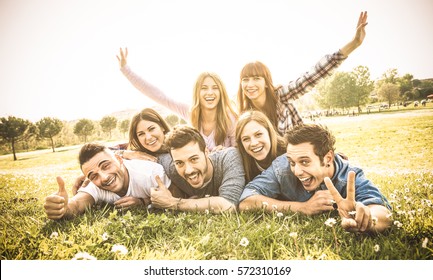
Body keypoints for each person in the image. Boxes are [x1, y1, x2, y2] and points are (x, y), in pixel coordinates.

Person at [239, 124, 392, 234]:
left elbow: (383, 212)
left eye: (304, 162)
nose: (297, 171)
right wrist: (303, 207)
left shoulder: (349, 176)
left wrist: (366, 219)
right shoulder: (281, 167)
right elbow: (246, 201)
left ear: (328, 158)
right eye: (292, 162)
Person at [237, 11, 368, 135]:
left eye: (256, 78)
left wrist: (354, 43)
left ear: (266, 82)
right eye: (245, 79)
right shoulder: (244, 114)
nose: (250, 84)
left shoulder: (281, 97)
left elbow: (312, 76)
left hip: (294, 154)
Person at [117, 49, 238, 152]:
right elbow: (158, 95)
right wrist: (126, 70)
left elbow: (237, 153)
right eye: (204, 88)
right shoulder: (190, 112)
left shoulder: (230, 118)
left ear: (221, 92)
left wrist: (225, 152)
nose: (210, 92)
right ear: (197, 93)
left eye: (215, 88)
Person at [44, 142, 172, 220]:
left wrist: (143, 201)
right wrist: (62, 208)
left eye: (106, 166)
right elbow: (76, 205)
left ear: (120, 159)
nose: (104, 178)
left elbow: (175, 198)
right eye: (93, 176)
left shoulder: (150, 173)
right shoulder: (94, 185)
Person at [73, 108, 170, 194]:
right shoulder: (136, 151)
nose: (148, 137)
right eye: (141, 134)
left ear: (161, 126)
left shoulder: (177, 144)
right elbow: (105, 151)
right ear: (136, 138)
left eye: (152, 129)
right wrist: (125, 153)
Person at [151, 125, 246, 213]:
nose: (188, 170)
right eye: (179, 163)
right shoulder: (171, 167)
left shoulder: (229, 158)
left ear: (206, 152)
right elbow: (152, 155)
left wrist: (173, 203)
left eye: (194, 159)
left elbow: (228, 206)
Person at [235, 110, 287, 182]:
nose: (254, 143)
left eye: (258, 134)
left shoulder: (288, 152)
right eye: (246, 139)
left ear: (269, 132)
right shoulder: (240, 161)